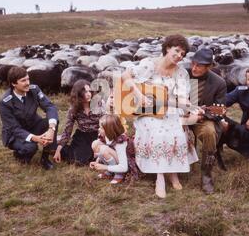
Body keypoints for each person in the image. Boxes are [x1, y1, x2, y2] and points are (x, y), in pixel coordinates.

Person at [121, 34, 199, 198]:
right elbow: (125, 76)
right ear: (167, 48)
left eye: (182, 54)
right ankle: (160, 177)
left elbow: (183, 100)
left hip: (171, 110)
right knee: (157, 131)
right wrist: (138, 94)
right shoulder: (149, 64)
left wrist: (183, 106)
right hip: (147, 111)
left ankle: (173, 173)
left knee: (176, 129)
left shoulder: (181, 73)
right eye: (176, 51)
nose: (179, 56)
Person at [0, 66, 58, 170]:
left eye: (28, 79)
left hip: (33, 125)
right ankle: (19, 155)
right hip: (15, 135)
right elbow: (14, 128)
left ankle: (45, 158)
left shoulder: (34, 89)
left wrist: (51, 129)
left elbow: (49, 106)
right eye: (23, 80)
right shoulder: (5, 102)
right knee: (31, 148)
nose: (27, 83)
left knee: (53, 121)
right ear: (14, 84)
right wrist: (35, 138)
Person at [188, 48, 227, 194]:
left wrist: (202, 113)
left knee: (210, 132)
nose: (194, 68)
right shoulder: (183, 74)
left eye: (199, 65)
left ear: (209, 66)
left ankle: (206, 174)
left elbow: (220, 110)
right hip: (180, 117)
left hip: (202, 119)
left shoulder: (219, 83)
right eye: (193, 64)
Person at [53, 79, 105, 166]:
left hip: (98, 135)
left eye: (90, 91)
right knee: (79, 160)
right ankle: (58, 145)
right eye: (85, 92)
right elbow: (67, 130)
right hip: (83, 136)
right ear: (78, 94)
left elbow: (106, 123)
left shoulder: (99, 103)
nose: (89, 94)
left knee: (96, 156)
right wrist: (58, 150)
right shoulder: (74, 109)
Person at [90, 114, 135, 184]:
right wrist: (97, 161)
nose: (99, 129)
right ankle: (110, 172)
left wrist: (104, 167)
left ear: (109, 130)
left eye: (101, 128)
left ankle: (119, 174)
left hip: (126, 164)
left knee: (104, 149)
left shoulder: (120, 142)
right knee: (95, 143)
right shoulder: (106, 136)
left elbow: (124, 167)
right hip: (116, 158)